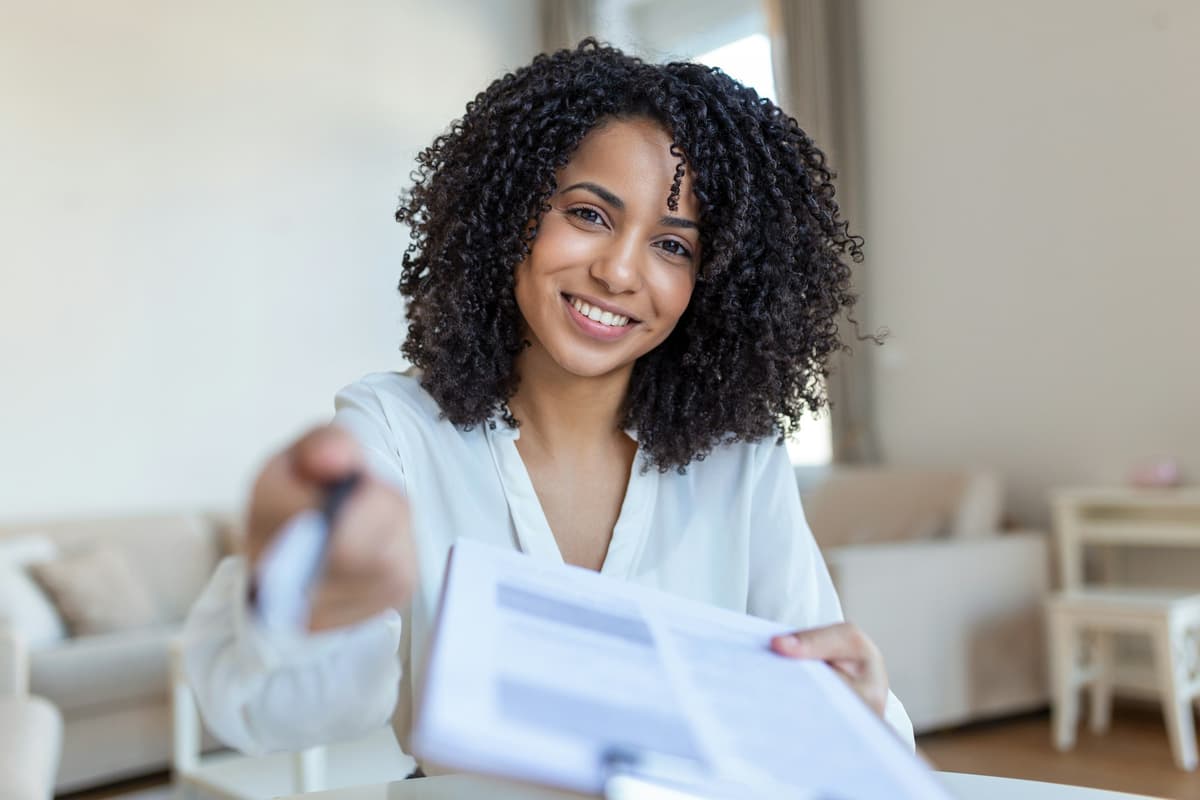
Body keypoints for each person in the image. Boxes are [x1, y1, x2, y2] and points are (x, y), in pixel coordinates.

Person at [182, 39, 914, 773]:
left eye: (672, 246)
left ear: (714, 283)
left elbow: (840, 715)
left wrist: (856, 709)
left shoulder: (739, 457)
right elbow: (286, 713)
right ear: (511, 212)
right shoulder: (395, 430)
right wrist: (301, 594)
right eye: (589, 214)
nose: (618, 272)